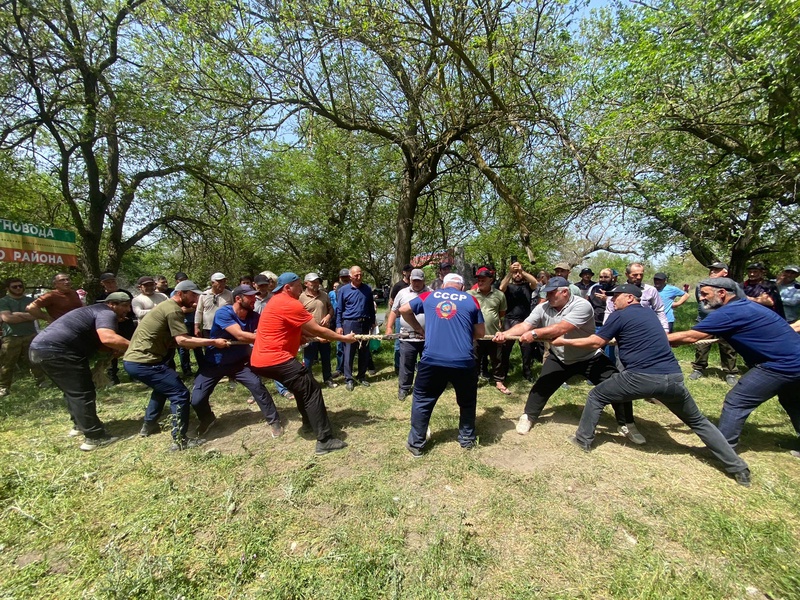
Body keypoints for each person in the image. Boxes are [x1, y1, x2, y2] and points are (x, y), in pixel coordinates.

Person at [553, 283, 751, 487]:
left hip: (641, 377)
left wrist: (563, 342)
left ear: (630, 298)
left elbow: (596, 342)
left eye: (617, 296)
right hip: (673, 378)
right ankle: (738, 467)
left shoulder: (619, 315)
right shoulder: (650, 315)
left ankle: (582, 440)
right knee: (699, 421)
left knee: (597, 395)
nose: (612, 300)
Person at [493, 276, 644, 444]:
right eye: (547, 294)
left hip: (589, 357)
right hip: (560, 357)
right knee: (541, 387)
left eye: (551, 293)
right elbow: (525, 325)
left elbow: (561, 328)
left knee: (618, 386)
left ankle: (627, 424)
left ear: (564, 292)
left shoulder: (582, 305)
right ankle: (528, 416)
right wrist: (505, 335)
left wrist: (535, 334)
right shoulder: (543, 307)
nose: (548, 297)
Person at [669, 278, 800, 451]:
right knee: (792, 401)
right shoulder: (745, 307)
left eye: (705, 294)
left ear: (722, 293)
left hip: (780, 365)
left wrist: (645, 337)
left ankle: (723, 450)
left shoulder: (730, 312)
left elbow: (691, 336)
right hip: (794, 361)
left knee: (737, 401)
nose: (701, 298)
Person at [250, 272, 356, 455]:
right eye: (298, 285)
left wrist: (307, 337)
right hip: (275, 358)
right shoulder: (289, 303)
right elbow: (316, 328)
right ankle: (324, 440)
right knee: (312, 389)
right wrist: (343, 338)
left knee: (301, 388)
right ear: (287, 287)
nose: (301, 289)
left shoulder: (275, 302)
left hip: (261, 360)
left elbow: (285, 328)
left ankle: (308, 422)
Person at [123, 280, 230, 451]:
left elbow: (175, 341)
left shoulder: (166, 306)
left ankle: (149, 425)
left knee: (163, 387)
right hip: (144, 361)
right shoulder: (173, 310)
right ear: (181, 293)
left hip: (136, 360)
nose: (195, 299)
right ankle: (180, 440)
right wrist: (213, 342)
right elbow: (182, 340)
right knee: (179, 393)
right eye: (192, 294)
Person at [28, 292, 132, 451]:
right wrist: (136, 347)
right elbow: (108, 338)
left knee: (72, 391)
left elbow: (99, 342)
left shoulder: (93, 311)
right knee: (82, 392)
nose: (128, 309)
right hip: (58, 352)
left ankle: (79, 426)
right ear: (112, 304)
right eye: (124, 305)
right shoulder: (106, 313)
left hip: (39, 350)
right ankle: (94, 437)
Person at [399, 273, 485, 456]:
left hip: (432, 359)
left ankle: (416, 444)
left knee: (422, 399)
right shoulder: (471, 300)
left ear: (444, 285)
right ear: (461, 286)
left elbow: (404, 309)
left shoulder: (430, 295)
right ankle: (467, 439)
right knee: (467, 401)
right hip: (463, 360)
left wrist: (419, 329)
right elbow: (481, 332)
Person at [190, 285, 284, 438]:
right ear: (238, 298)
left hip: (239, 364)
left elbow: (270, 329)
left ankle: (274, 420)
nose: (254, 299)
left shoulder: (254, 316)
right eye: (250, 296)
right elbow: (240, 336)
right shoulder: (223, 313)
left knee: (257, 386)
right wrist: (266, 338)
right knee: (197, 400)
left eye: (255, 296)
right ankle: (207, 419)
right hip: (215, 363)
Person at [689, 262, 740, 385]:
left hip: (726, 323)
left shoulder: (733, 286)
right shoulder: (701, 285)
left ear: (725, 272)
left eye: (716, 270)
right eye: (711, 269)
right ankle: (699, 368)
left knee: (728, 347)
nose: (712, 272)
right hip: (705, 321)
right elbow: (701, 301)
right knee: (701, 347)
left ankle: (730, 372)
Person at [385, 269, 430, 401]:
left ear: (424, 281)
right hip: (407, 336)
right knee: (406, 364)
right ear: (410, 280)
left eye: (419, 281)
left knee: (427, 364)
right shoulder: (402, 293)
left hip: (427, 336)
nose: (416, 283)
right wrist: (388, 327)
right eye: (414, 280)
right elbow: (394, 312)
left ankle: (426, 387)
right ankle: (404, 388)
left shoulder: (431, 293)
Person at [0, 278, 46, 396]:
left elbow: (35, 316)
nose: (18, 288)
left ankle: (41, 381)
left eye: (20, 286)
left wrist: (16, 314)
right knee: (7, 363)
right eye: (14, 287)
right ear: (7, 289)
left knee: (35, 360)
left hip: (30, 334)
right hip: (11, 337)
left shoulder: (30, 300)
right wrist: (26, 315)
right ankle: (3, 387)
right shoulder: (3, 301)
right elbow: (7, 318)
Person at [469, 266, 509, 394]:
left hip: (493, 334)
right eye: (478, 280)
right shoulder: (470, 294)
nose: (480, 282)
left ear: (491, 280)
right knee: (474, 359)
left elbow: (502, 313)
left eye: (483, 280)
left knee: (497, 359)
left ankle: (499, 381)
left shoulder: (499, 295)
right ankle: (472, 382)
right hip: (475, 335)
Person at [336, 265, 376, 391]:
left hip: (364, 324)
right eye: (356, 275)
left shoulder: (367, 289)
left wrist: (373, 322)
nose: (359, 277)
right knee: (349, 352)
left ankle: (361, 376)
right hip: (349, 324)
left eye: (361, 274)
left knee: (364, 351)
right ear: (350, 276)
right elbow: (339, 310)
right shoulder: (343, 290)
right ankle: (348, 379)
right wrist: (338, 325)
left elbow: (370, 308)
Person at [498, 261, 538, 382]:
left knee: (527, 349)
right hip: (509, 320)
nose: (517, 275)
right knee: (505, 349)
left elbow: (535, 282)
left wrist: (522, 271)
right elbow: (501, 287)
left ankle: (527, 372)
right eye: (515, 273)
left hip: (525, 321)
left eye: (518, 273)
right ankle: (503, 373)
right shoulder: (508, 287)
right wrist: (510, 273)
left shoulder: (527, 286)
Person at [96, 272, 136, 385]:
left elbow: (132, 309)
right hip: (110, 327)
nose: (111, 284)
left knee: (129, 348)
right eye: (108, 282)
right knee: (111, 350)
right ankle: (112, 376)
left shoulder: (125, 293)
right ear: (102, 284)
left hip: (126, 325)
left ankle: (133, 374)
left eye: (113, 281)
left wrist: (125, 317)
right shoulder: (100, 297)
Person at [299, 273, 338, 388]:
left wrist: (328, 317)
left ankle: (328, 378)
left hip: (324, 332)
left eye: (317, 282)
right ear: (306, 283)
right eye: (313, 282)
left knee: (326, 357)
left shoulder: (324, 295)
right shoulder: (301, 297)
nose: (316, 284)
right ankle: (308, 382)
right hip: (309, 334)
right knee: (308, 360)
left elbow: (331, 309)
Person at [604, 262, 668, 332]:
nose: (639, 277)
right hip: (624, 330)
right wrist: (606, 331)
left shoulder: (650, 290)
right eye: (635, 275)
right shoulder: (616, 291)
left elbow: (659, 310)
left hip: (647, 329)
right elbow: (609, 312)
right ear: (627, 275)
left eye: (641, 274)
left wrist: (665, 329)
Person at [173, 271, 203, 377]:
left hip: (193, 321)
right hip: (182, 323)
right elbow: (183, 310)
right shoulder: (174, 295)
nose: (184, 281)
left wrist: (191, 307)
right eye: (181, 280)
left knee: (198, 346)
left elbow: (197, 306)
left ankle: (203, 368)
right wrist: (192, 307)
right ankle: (187, 370)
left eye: (185, 279)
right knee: (183, 347)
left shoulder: (191, 291)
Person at [388, 264, 413, 373]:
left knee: (413, 341)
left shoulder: (415, 285)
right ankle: (398, 366)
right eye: (408, 271)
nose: (410, 273)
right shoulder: (398, 286)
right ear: (404, 272)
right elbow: (392, 301)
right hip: (400, 318)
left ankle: (411, 364)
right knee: (399, 343)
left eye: (412, 271)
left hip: (413, 318)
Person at [195, 272, 233, 337]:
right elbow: (199, 311)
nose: (223, 284)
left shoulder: (229, 294)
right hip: (208, 328)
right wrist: (196, 327)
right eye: (220, 281)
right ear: (212, 283)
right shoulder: (204, 295)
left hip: (224, 327)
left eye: (224, 281)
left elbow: (234, 310)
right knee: (209, 346)